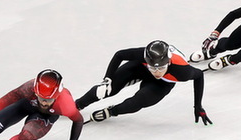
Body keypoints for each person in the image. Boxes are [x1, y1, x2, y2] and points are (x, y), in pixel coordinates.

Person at [76, 40, 212, 125]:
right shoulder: (142, 55)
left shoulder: (182, 70)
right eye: (153, 67)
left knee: (139, 101)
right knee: (107, 89)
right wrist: (107, 79)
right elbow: (119, 55)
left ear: (169, 63)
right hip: (140, 68)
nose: (157, 72)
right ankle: (78, 104)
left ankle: (112, 111)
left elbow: (199, 76)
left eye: (161, 68)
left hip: (163, 82)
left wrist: (197, 106)